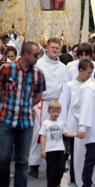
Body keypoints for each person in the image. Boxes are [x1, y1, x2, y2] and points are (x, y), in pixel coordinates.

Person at [0, 41, 46, 187]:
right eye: (36, 54)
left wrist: (27, 105)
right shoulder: (7, 69)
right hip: (7, 119)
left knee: (22, 161)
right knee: (4, 158)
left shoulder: (38, 73)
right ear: (26, 54)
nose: (38, 58)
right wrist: (1, 104)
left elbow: (38, 95)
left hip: (26, 121)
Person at [31, 37, 67, 178]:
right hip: (42, 102)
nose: (55, 50)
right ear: (46, 48)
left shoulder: (63, 67)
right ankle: (34, 163)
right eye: (52, 47)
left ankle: (53, 164)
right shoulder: (39, 64)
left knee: (55, 134)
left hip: (56, 103)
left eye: (57, 48)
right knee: (39, 133)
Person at [60, 59, 95, 187]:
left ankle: (88, 179)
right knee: (75, 152)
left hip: (87, 122)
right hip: (73, 123)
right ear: (80, 70)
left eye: (91, 73)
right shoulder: (70, 85)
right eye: (88, 73)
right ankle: (74, 179)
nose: (89, 76)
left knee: (88, 152)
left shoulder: (92, 85)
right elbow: (64, 104)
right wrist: (63, 124)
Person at [39, 101, 74, 187]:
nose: (55, 113)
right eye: (53, 111)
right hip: (50, 149)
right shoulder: (45, 123)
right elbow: (42, 137)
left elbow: (66, 133)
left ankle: (57, 184)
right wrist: (43, 150)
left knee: (60, 168)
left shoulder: (61, 123)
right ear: (49, 111)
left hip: (60, 149)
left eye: (57, 111)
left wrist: (76, 134)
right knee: (51, 169)